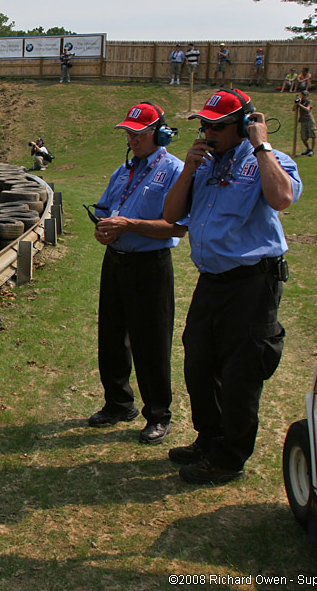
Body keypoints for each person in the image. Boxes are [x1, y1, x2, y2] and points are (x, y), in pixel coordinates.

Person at [163, 88, 302, 484]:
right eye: (204, 124)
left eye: (217, 126)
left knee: (241, 373)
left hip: (252, 284)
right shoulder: (205, 162)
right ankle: (210, 438)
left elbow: (282, 198)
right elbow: (172, 215)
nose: (208, 132)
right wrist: (188, 169)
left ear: (244, 125)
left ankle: (230, 458)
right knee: (199, 363)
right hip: (212, 282)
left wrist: (262, 148)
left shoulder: (269, 160)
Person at [87, 102, 187, 444]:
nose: (132, 139)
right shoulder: (123, 170)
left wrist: (130, 225)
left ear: (159, 134)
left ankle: (158, 413)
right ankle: (118, 402)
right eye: (128, 133)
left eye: (139, 133)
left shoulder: (175, 170)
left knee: (151, 341)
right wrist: (103, 228)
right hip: (116, 261)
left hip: (150, 264)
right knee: (111, 337)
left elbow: (177, 227)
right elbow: (104, 208)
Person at [294, 90, 316, 156]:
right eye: (302, 95)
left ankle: (312, 150)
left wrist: (299, 105)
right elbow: (293, 109)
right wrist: (296, 103)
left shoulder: (309, 101)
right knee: (303, 137)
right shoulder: (301, 102)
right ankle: (308, 149)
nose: (303, 96)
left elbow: (307, 109)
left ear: (307, 96)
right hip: (303, 120)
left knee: (313, 135)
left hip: (309, 120)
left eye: (305, 95)